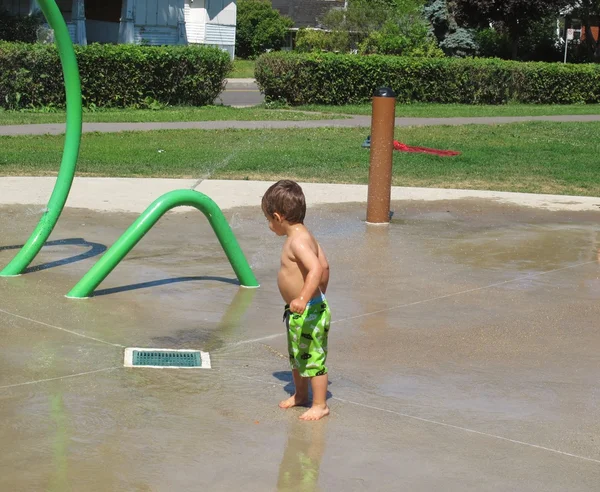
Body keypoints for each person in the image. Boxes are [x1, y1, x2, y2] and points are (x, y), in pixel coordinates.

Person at [262, 180, 331, 421]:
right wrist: (320, 293)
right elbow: (325, 265)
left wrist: (305, 297)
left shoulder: (298, 241)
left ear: (278, 216)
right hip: (302, 310)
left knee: (313, 358)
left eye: (269, 221)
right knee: (297, 356)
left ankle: (320, 404)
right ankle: (301, 395)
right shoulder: (306, 235)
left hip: (308, 309)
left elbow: (315, 269)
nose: (270, 226)